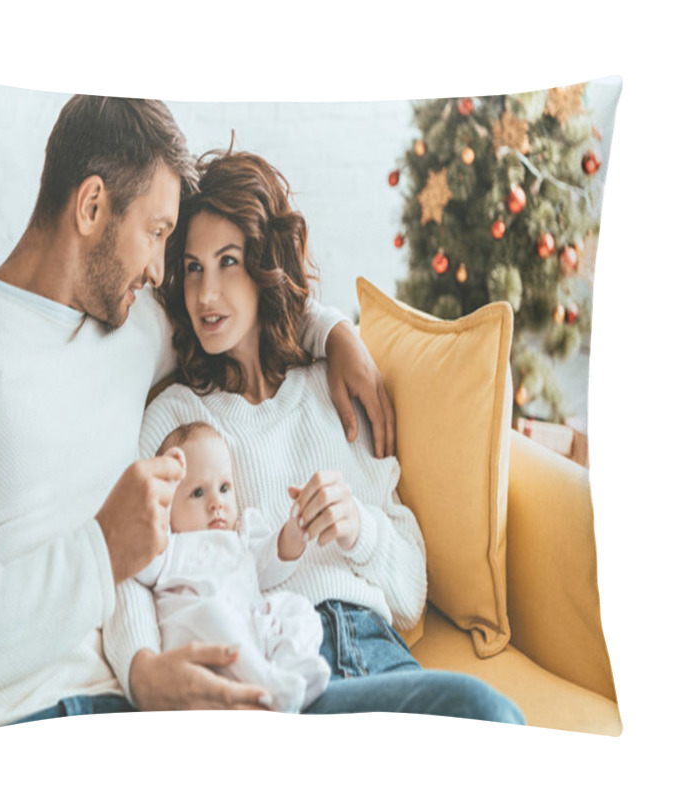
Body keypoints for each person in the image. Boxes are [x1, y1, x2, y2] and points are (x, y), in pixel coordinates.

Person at [0, 96, 394, 734]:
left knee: (475, 714)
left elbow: (243, 304)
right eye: (157, 234)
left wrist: (335, 333)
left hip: (150, 713)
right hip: (19, 721)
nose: (161, 270)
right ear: (93, 206)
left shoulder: (134, 323)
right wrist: (102, 552)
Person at [105, 150, 525, 724]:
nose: (205, 295)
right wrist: (141, 668)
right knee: (482, 710)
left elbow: (409, 595)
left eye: (228, 262)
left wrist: (359, 528)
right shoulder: (177, 417)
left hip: (379, 652)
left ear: (264, 266)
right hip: (280, 665)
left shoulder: (336, 387)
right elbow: (130, 560)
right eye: (195, 268)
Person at [134, 422, 330, 712]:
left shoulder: (243, 537)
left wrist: (295, 530)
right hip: (201, 639)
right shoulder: (172, 545)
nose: (216, 503)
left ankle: (290, 669)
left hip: (251, 630)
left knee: (297, 608)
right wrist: (152, 520)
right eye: (198, 493)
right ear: (170, 506)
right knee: (212, 613)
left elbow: (273, 563)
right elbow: (140, 566)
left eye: (224, 488)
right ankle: (268, 686)